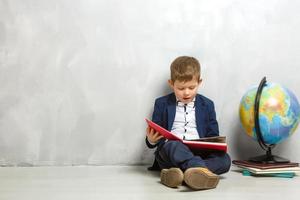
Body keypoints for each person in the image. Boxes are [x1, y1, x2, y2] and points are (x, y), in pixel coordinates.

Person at [145, 56, 231, 190]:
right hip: (171, 152)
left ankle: (178, 174)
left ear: (199, 82)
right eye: (181, 88)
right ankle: (199, 172)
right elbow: (156, 134)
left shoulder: (207, 105)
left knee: (225, 160)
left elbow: (213, 135)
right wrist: (151, 140)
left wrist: (215, 145)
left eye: (192, 87)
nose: (186, 92)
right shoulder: (161, 103)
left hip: (199, 152)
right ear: (171, 83)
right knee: (173, 145)